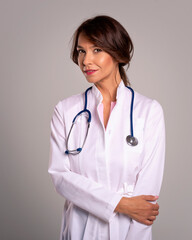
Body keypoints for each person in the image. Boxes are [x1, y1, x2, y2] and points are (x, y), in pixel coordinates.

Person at [48, 15, 165, 240]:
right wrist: (120, 204)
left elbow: (146, 202)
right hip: (79, 229)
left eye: (97, 50)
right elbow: (61, 177)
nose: (86, 61)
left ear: (117, 53)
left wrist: (131, 211)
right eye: (81, 51)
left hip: (129, 231)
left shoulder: (148, 111)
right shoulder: (66, 110)